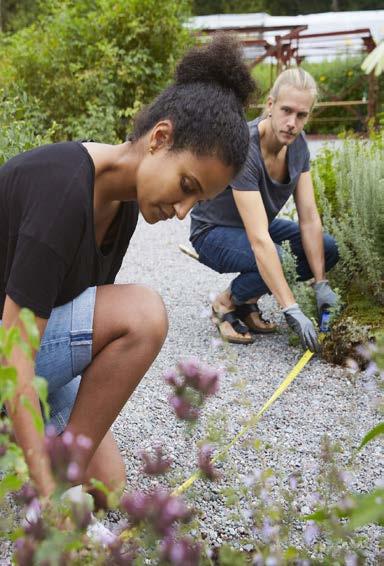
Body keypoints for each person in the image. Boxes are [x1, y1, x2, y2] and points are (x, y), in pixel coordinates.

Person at [0, 35, 255, 502]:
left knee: (109, 486)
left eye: (197, 200)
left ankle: (40, 455)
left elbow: (79, 324)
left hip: (26, 348)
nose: (183, 211)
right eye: (186, 185)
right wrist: (49, 490)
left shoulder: (124, 207)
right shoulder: (61, 188)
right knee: (144, 313)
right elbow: (13, 352)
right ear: (160, 138)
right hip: (8, 349)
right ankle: (48, 484)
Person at [190, 68, 339, 351]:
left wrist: (321, 283)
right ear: (270, 105)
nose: (292, 123)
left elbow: (309, 218)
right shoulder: (245, 147)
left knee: (327, 247)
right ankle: (225, 304)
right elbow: (260, 240)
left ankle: (245, 302)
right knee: (278, 257)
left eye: (301, 115)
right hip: (213, 233)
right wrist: (291, 308)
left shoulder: (298, 146)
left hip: (252, 228)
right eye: (286, 110)